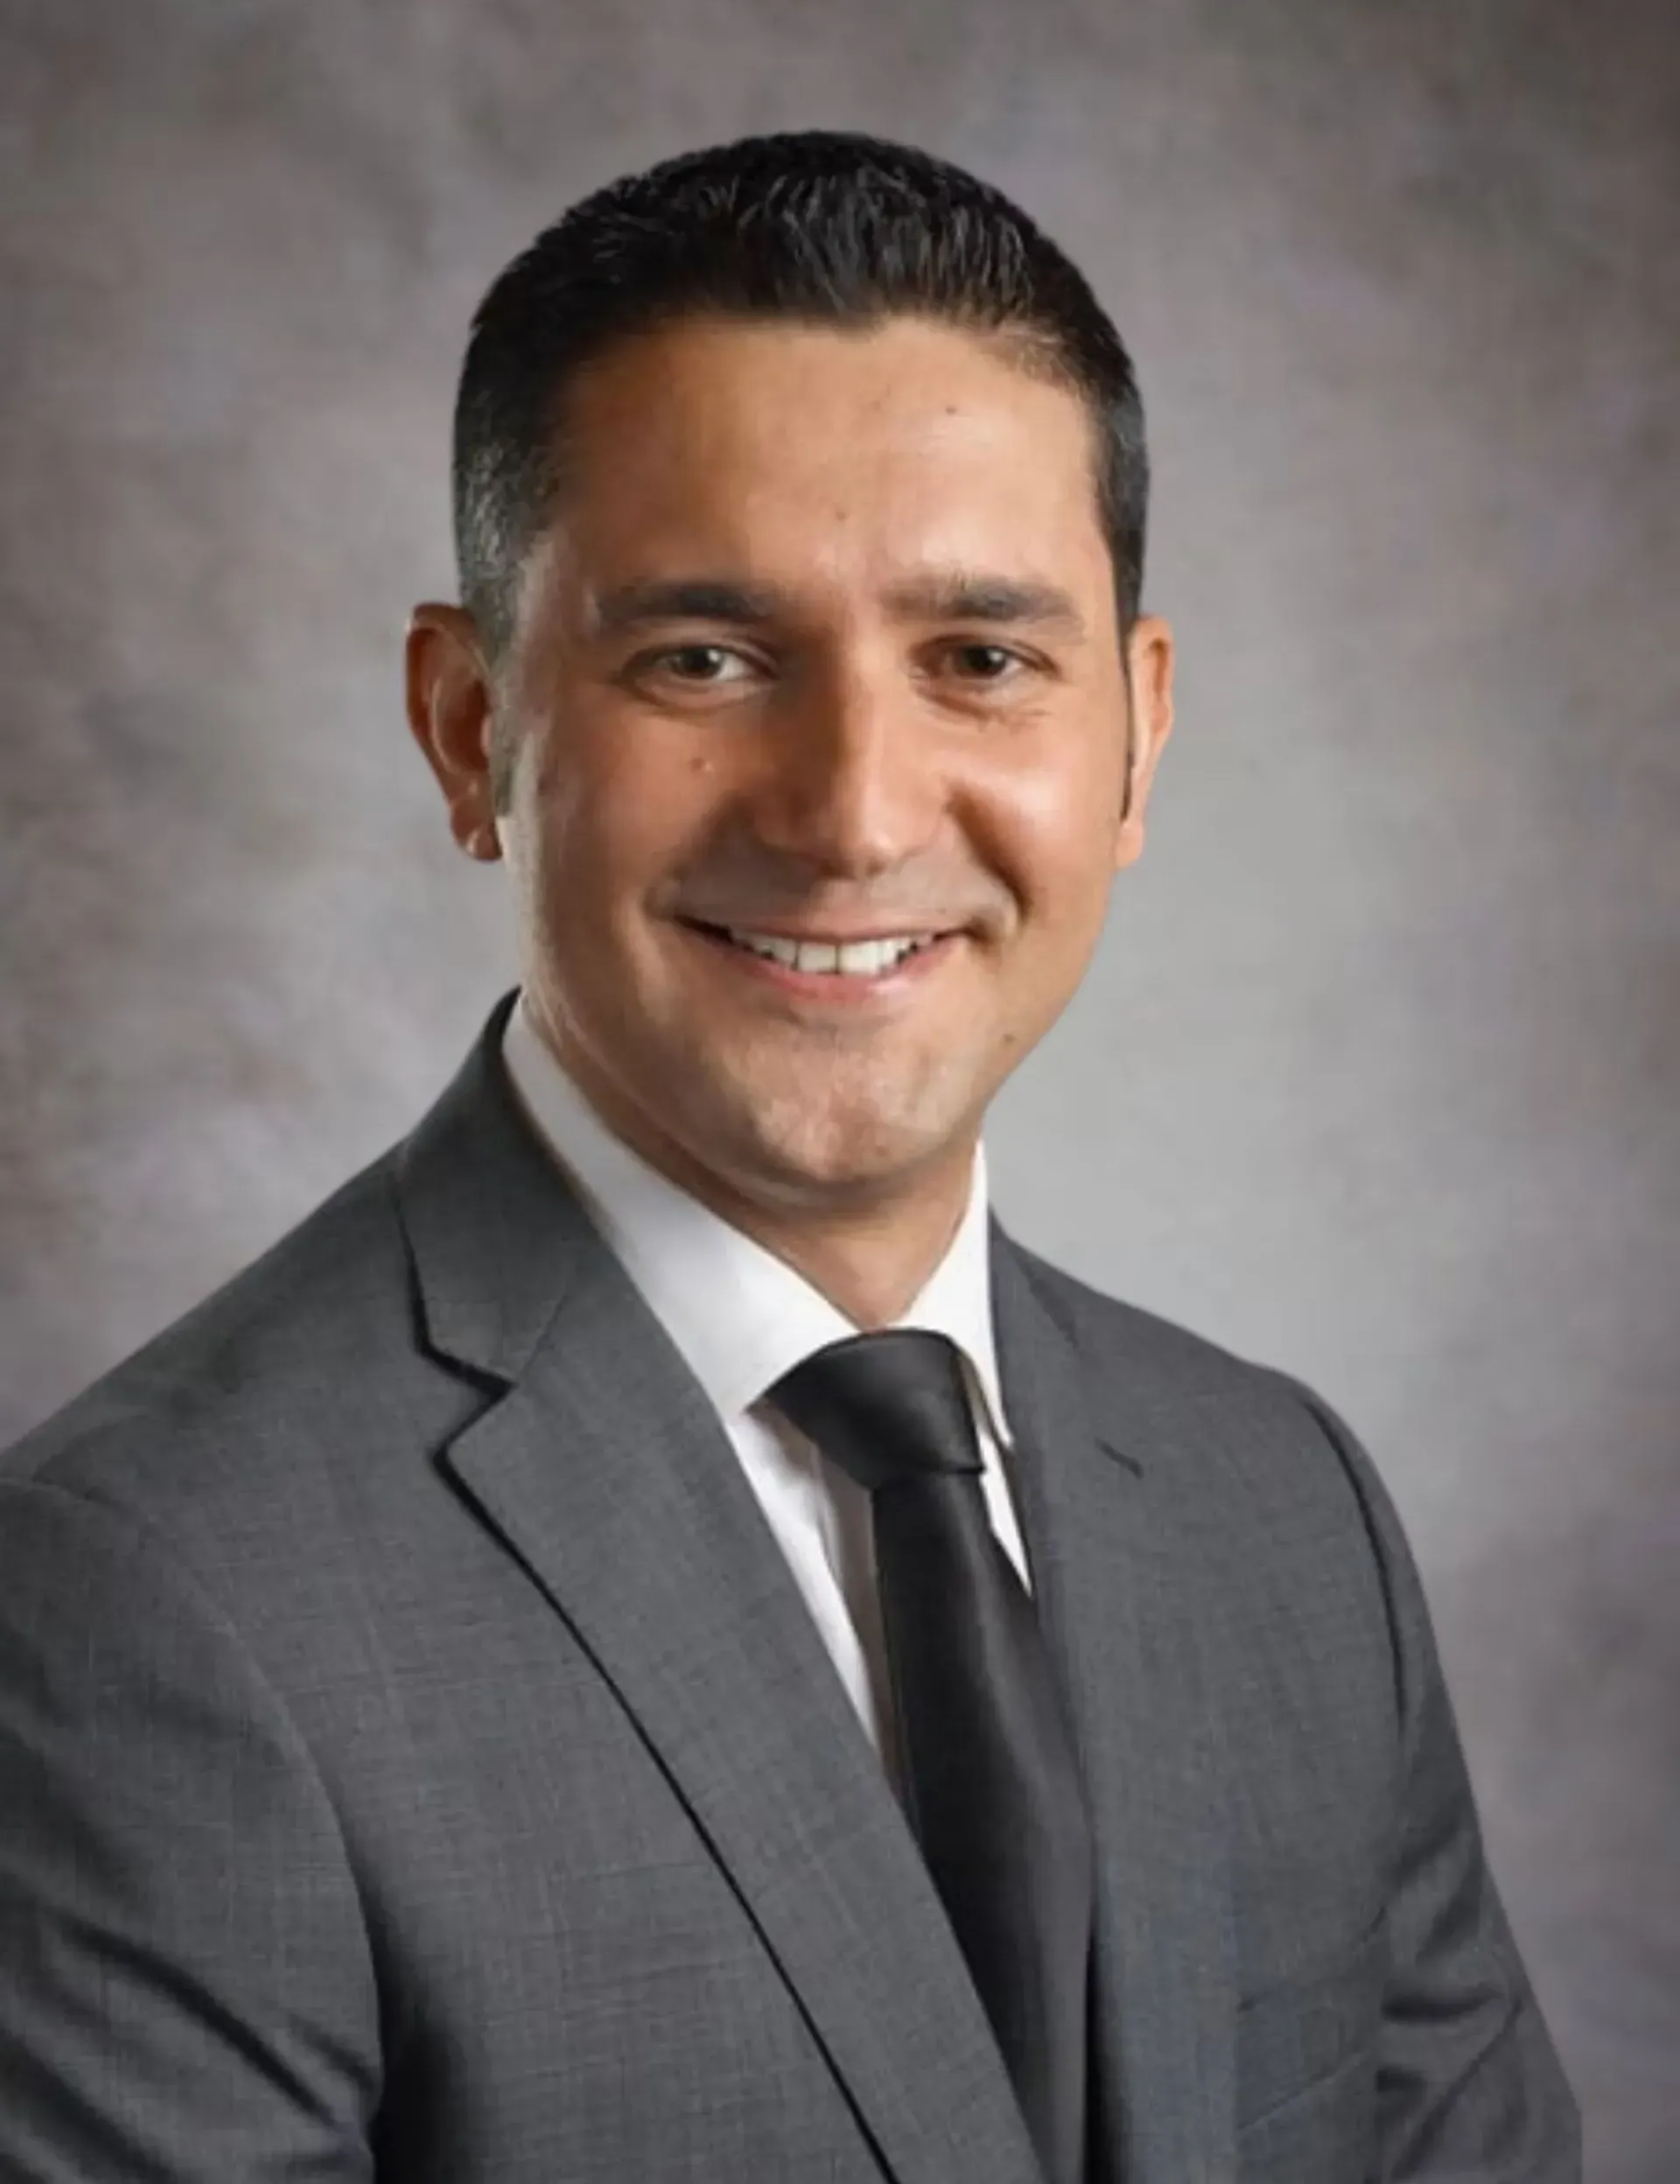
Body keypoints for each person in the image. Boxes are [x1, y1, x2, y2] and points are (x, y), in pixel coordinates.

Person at [0, 130, 1578, 2184]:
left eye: (984, 661)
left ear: (1136, 738)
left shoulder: (1288, 1520)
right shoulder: (145, 1611)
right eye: (705, 660)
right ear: (471, 728)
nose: (850, 814)